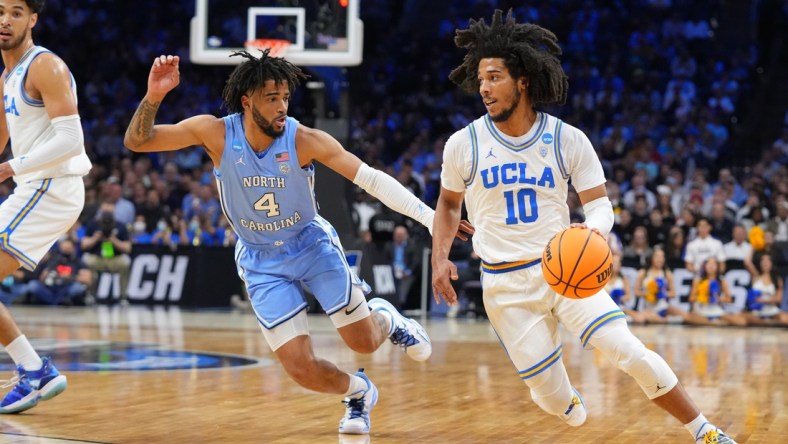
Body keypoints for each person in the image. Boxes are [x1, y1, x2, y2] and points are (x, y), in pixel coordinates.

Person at [123, 50, 472, 435]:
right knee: (301, 369)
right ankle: (359, 393)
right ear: (247, 100)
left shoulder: (302, 138)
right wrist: (154, 95)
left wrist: (431, 218)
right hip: (259, 258)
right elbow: (138, 142)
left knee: (364, 342)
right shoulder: (216, 132)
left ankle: (386, 318)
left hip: (311, 246)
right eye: (272, 98)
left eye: (285, 97)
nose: (282, 106)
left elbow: (370, 179)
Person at [429, 10, 736, 443]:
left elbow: (600, 204)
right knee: (557, 404)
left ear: (522, 81)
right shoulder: (464, 144)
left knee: (629, 351)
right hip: (505, 287)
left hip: (564, 269)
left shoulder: (567, 139)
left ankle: (705, 431)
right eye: (480, 78)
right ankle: (565, 399)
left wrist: (594, 233)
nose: (483, 87)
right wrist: (439, 258)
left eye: (494, 77)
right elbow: (447, 204)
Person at [0, 0, 91, 413]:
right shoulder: (8, 76)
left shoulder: (44, 66)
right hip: (35, 187)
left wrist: (9, 168)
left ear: (32, 19)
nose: (5, 20)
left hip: (51, 187)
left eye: (16, 12)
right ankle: (34, 371)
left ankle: (34, 370)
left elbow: (71, 140)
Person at [80, 200, 132, 304]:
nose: (107, 216)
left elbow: (128, 248)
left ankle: (123, 297)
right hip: (98, 258)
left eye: (110, 212)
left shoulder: (121, 226)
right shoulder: (93, 224)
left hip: (114, 259)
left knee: (125, 262)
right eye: (105, 212)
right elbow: (83, 245)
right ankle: (90, 294)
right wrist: (95, 238)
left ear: (114, 212)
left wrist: (114, 240)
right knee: (87, 261)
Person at [685, 258, 747, 326]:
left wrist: (719, 299)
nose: (711, 266)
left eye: (713, 264)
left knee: (741, 322)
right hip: (702, 309)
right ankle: (714, 322)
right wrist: (702, 296)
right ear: (705, 266)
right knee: (687, 318)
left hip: (716, 309)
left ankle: (713, 322)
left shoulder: (721, 280)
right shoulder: (698, 280)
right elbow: (691, 298)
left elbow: (729, 299)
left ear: (717, 267)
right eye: (709, 264)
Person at [634, 248, 689, 323]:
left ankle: (663, 319)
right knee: (642, 318)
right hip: (647, 308)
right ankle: (664, 320)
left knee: (684, 315)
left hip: (663, 307)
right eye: (657, 256)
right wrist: (647, 293)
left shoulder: (667, 273)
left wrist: (664, 294)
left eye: (662, 257)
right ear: (651, 258)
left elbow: (673, 293)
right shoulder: (643, 273)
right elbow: (636, 292)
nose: (660, 259)